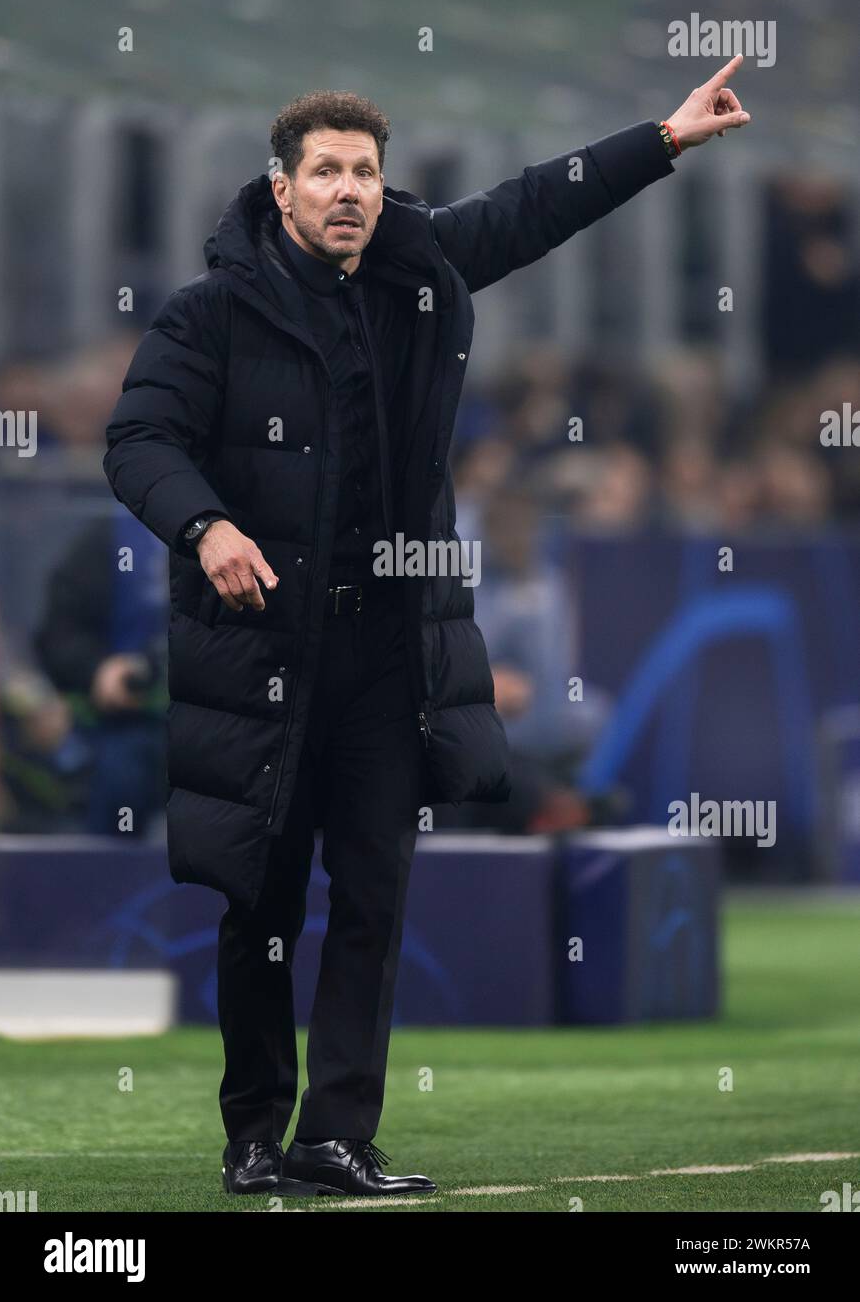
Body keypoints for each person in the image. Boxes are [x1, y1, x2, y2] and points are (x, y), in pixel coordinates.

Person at [102, 62, 751, 1198]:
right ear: (281, 187)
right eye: (326, 172)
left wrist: (662, 139)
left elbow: (529, 206)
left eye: (364, 171)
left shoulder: (414, 272)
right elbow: (137, 441)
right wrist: (204, 526)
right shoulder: (208, 312)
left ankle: (333, 1135)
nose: (348, 189)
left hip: (389, 653)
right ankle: (253, 1129)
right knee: (258, 897)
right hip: (261, 653)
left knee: (373, 895)